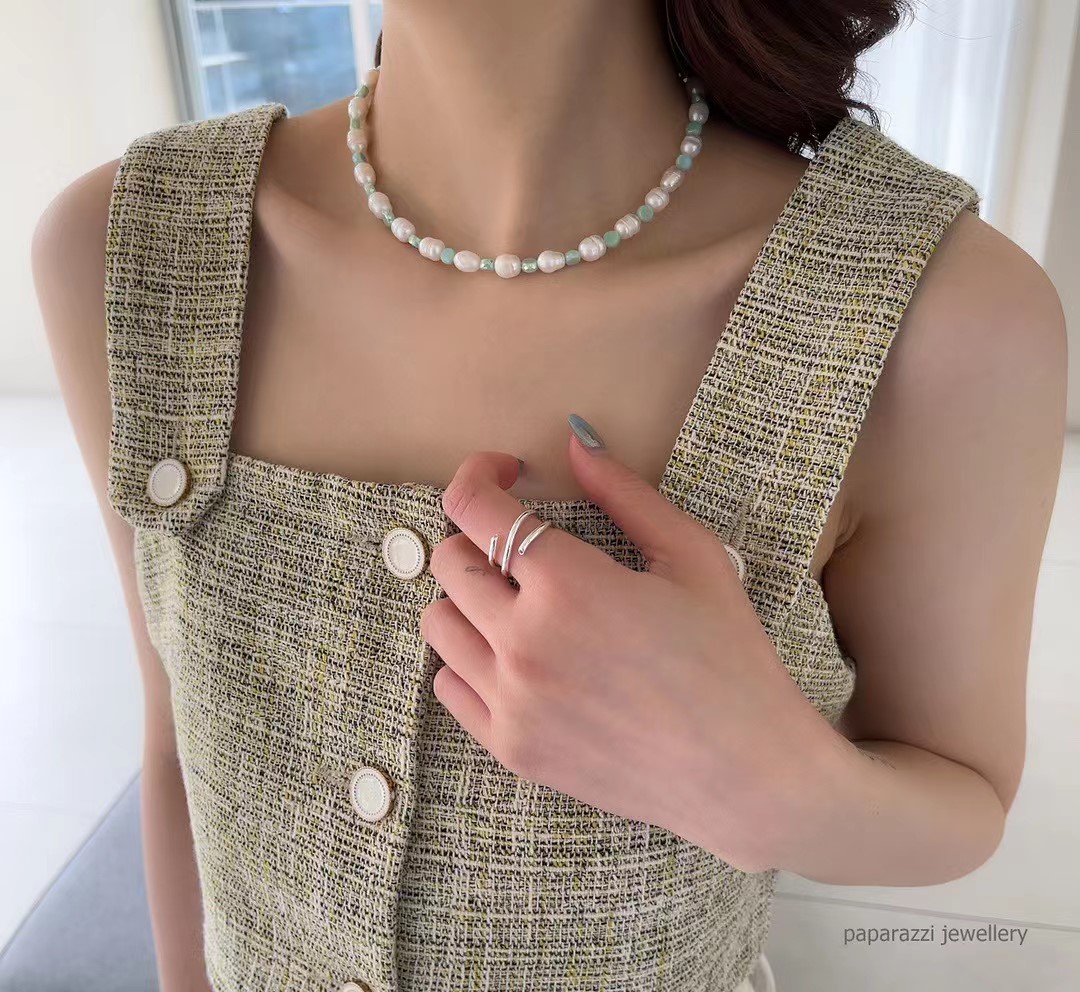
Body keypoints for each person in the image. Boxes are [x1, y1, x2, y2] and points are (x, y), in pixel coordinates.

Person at [31, 1, 1067, 991]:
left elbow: (962, 793)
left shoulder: (943, 319)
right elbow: (175, 750)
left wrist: (768, 783)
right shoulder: (130, 245)